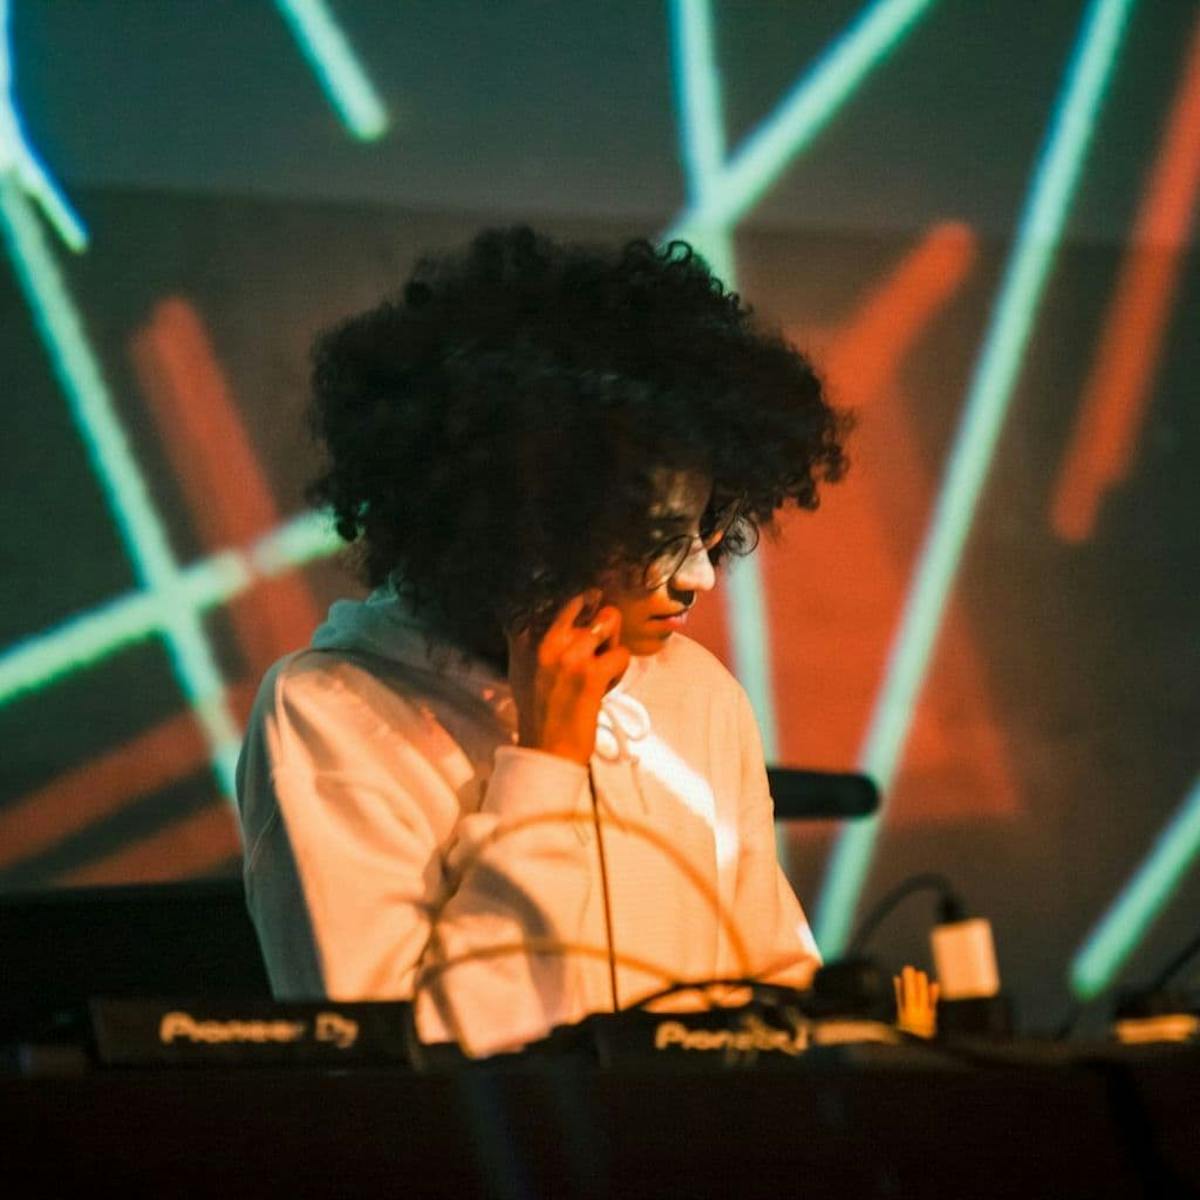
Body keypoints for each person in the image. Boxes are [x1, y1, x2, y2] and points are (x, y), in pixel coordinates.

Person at [235, 226, 849, 1057]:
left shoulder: (697, 694)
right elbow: (413, 1059)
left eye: (707, 527)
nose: (701, 576)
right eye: (659, 536)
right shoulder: (327, 712)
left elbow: (776, 991)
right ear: (528, 526)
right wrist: (547, 762)